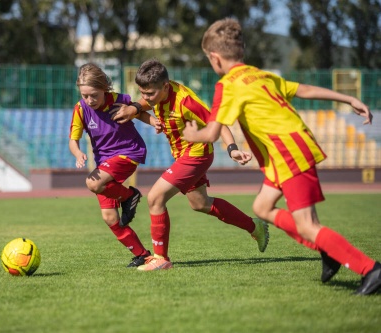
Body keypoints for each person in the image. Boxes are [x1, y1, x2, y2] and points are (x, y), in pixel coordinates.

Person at [182, 17, 380, 295]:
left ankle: (370, 269)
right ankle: (328, 249)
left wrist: (192, 136)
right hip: (287, 151)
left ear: (214, 58)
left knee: (307, 226)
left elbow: (212, 133)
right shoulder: (260, 75)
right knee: (262, 208)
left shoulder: (227, 85)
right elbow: (305, 89)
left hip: (287, 152)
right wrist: (348, 99)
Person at [111, 58, 270, 271]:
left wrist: (232, 148)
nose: (146, 98)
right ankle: (255, 226)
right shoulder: (159, 93)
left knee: (155, 197)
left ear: (165, 87)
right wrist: (135, 108)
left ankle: (161, 258)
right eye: (143, 93)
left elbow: (218, 122)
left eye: (150, 94)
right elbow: (146, 102)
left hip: (197, 154)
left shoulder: (186, 102)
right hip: (182, 155)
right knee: (200, 203)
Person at [69, 63, 159, 267]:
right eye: (85, 95)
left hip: (128, 152)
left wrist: (153, 122)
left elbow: (139, 110)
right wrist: (78, 153)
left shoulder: (119, 100)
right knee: (110, 218)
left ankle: (130, 196)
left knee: (92, 184)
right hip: (105, 164)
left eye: (94, 95)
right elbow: (73, 140)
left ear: (104, 88)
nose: (90, 100)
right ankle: (143, 255)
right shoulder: (81, 109)